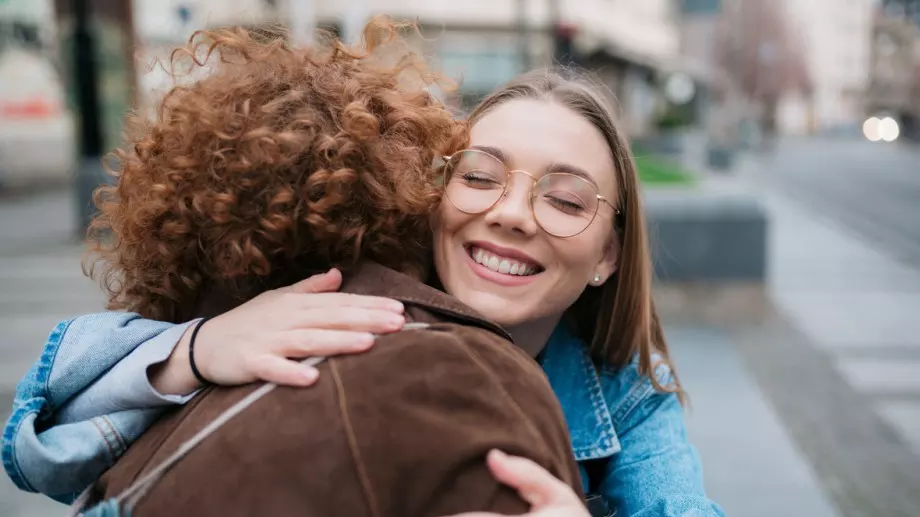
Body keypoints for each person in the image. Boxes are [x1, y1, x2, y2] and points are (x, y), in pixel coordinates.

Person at [3, 20, 724, 517]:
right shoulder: (330, 296)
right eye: (479, 176)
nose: (513, 212)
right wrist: (193, 349)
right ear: (431, 195)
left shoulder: (629, 405)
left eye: (566, 199)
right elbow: (35, 451)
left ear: (608, 254)